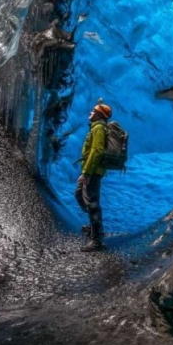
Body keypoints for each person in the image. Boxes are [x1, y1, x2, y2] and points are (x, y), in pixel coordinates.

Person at [75, 102, 112, 252]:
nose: (90, 112)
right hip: (90, 170)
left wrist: (87, 173)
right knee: (79, 194)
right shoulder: (96, 127)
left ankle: (96, 240)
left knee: (92, 202)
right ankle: (94, 225)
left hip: (93, 172)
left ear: (99, 115)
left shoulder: (98, 128)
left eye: (94, 111)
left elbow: (97, 151)